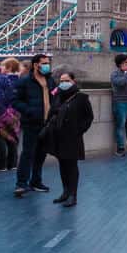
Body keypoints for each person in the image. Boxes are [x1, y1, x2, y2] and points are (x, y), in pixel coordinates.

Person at [42, 72, 93, 208]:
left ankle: (73, 195)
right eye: (62, 81)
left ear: (73, 81)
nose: (64, 83)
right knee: (62, 165)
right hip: (58, 136)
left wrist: (78, 131)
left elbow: (89, 117)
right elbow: (51, 113)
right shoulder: (58, 96)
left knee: (71, 166)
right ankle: (65, 192)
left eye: (67, 80)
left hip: (72, 137)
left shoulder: (81, 98)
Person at [13, 53, 56, 196]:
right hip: (31, 123)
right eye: (44, 63)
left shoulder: (50, 80)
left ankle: (36, 181)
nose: (46, 66)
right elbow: (15, 101)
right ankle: (21, 184)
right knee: (27, 153)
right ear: (36, 65)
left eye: (47, 63)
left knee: (41, 154)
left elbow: (55, 97)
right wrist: (29, 111)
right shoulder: (25, 81)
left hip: (47, 123)